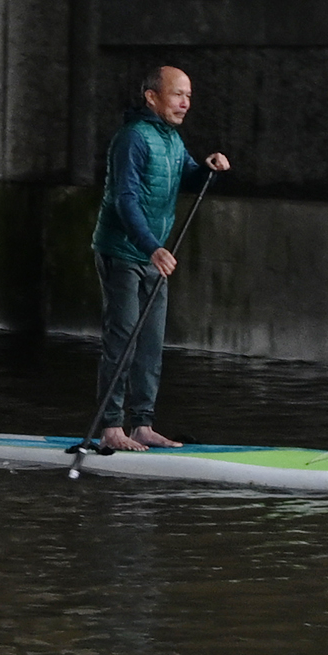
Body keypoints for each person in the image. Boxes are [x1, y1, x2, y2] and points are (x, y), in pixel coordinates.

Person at [80, 64, 229, 454]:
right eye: (178, 94)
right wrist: (151, 247)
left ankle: (142, 424)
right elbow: (123, 201)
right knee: (123, 339)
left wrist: (209, 169)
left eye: (189, 96)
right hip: (123, 253)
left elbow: (190, 176)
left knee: (150, 343)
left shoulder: (173, 141)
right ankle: (111, 428)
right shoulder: (132, 139)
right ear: (152, 96)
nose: (185, 103)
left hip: (153, 257)